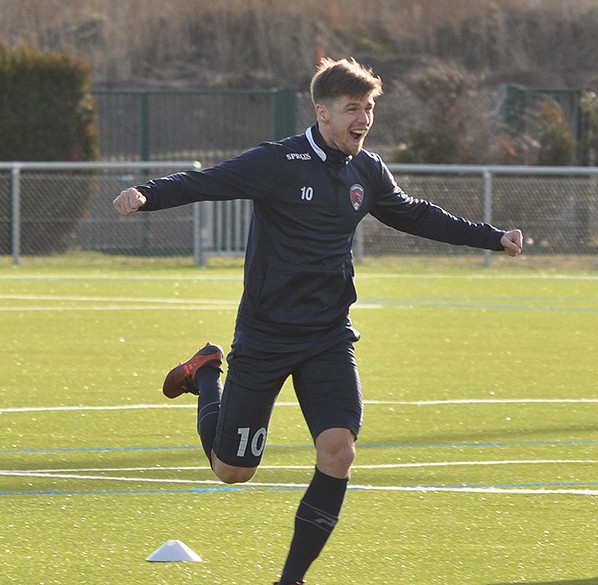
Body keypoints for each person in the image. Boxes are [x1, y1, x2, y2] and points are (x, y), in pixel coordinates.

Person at [112, 57, 524, 584]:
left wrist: (492, 236)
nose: (364, 118)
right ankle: (207, 373)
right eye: (353, 108)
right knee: (232, 471)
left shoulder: (367, 171)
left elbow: (416, 213)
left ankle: (292, 579)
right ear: (322, 111)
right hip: (265, 334)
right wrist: (148, 194)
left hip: (328, 335)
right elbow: (207, 182)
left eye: (370, 108)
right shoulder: (278, 161)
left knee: (339, 451)